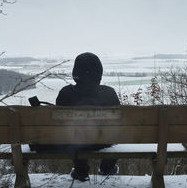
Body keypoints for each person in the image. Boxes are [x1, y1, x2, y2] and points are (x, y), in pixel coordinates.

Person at [30, 52, 120, 181]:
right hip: (103, 142)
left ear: (75, 72)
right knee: (114, 133)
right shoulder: (109, 93)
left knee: (75, 135)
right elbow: (118, 123)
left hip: (75, 142)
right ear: (99, 71)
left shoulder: (66, 93)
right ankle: (107, 168)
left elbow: (60, 123)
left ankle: (81, 171)